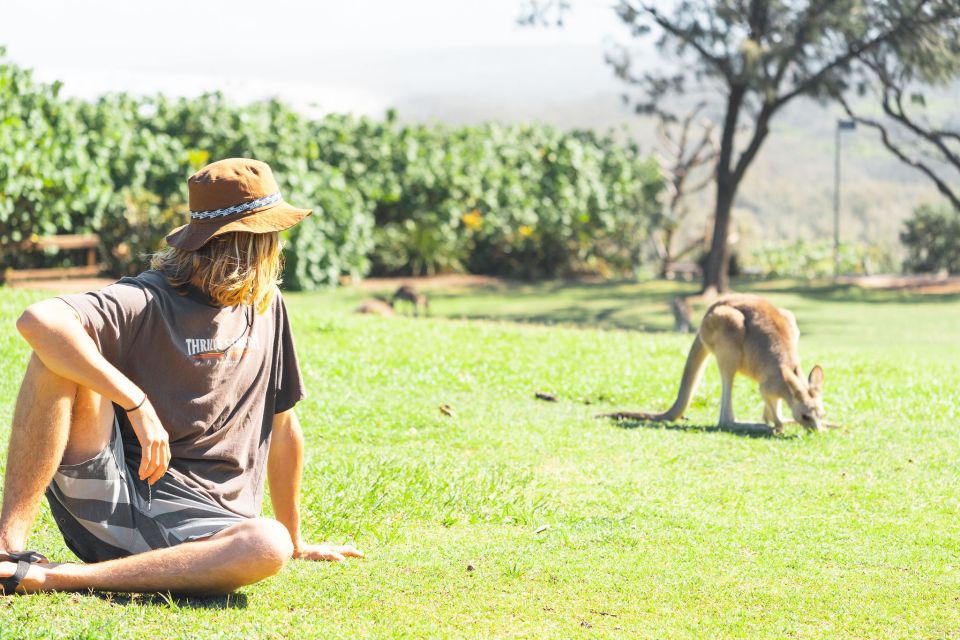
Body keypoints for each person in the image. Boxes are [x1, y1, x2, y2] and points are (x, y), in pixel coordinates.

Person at [0, 158, 362, 596]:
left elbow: (283, 426)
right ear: (254, 243)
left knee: (268, 542)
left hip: (207, 530)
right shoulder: (147, 299)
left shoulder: (268, 305)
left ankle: (55, 578)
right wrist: (136, 401)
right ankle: (8, 547)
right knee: (59, 351)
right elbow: (38, 320)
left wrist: (296, 539)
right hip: (115, 500)